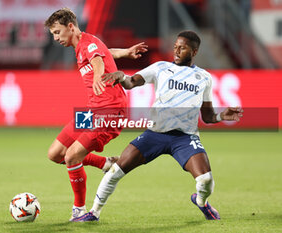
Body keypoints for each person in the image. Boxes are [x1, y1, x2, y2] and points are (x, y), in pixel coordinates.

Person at [73, 30, 243, 222]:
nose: (177, 51)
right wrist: (121, 76)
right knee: (115, 171)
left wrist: (222, 115)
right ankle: (94, 213)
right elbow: (130, 83)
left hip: (184, 139)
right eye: (175, 47)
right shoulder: (160, 68)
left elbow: (208, 116)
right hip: (154, 135)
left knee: (206, 181)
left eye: (182, 48)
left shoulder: (204, 77)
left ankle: (201, 202)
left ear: (194, 52)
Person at [44, 8, 148, 221]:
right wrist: (126, 53)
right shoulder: (85, 44)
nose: (55, 38)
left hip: (110, 110)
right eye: (53, 34)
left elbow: (98, 59)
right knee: (56, 153)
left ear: (70, 27)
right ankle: (105, 163)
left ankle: (79, 211)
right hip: (92, 111)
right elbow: (104, 51)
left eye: (57, 32)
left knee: (72, 155)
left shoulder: (87, 44)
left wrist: (97, 77)